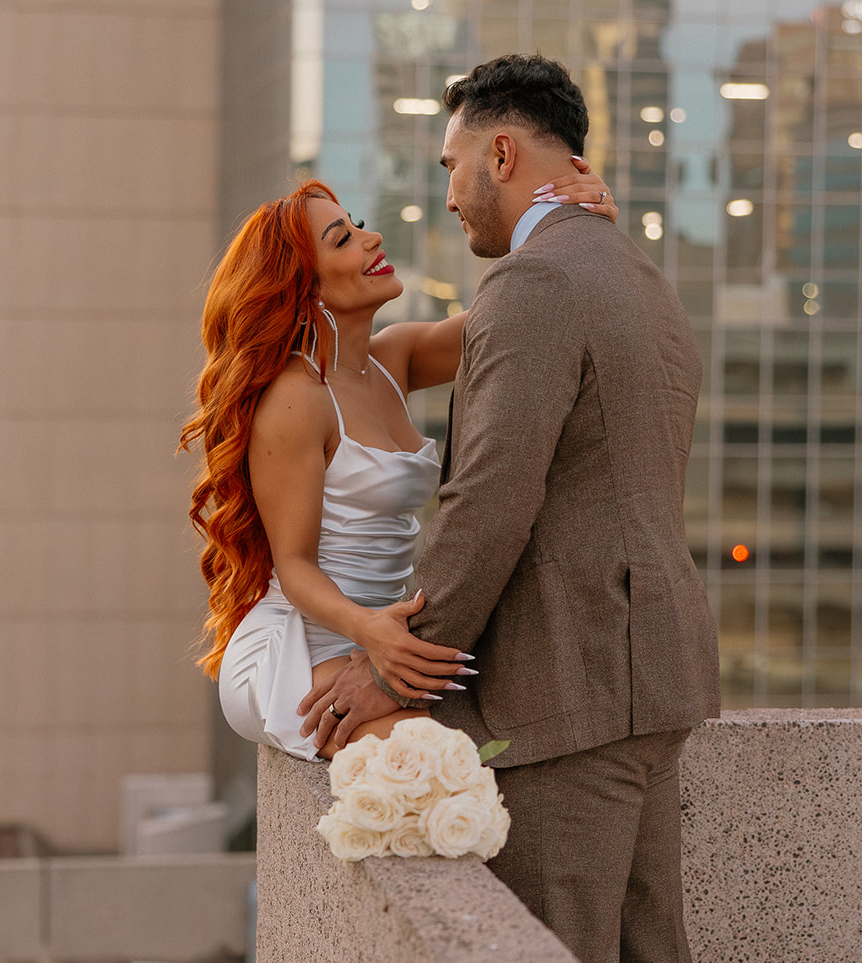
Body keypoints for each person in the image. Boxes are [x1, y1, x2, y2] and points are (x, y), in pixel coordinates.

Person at [299, 54, 721, 963]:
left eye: (450, 165)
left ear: (498, 153)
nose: (447, 195)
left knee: (555, 946)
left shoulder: (535, 285)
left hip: (567, 686)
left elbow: (490, 499)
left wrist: (398, 667)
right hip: (651, 679)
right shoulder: (638, 273)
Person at [182, 163, 616, 761]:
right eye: (342, 238)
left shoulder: (396, 357)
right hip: (302, 647)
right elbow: (295, 564)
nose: (372, 237)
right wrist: (371, 634)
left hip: (385, 640)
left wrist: (583, 228)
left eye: (356, 225)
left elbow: (526, 312)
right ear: (302, 288)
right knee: (434, 761)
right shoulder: (295, 399)